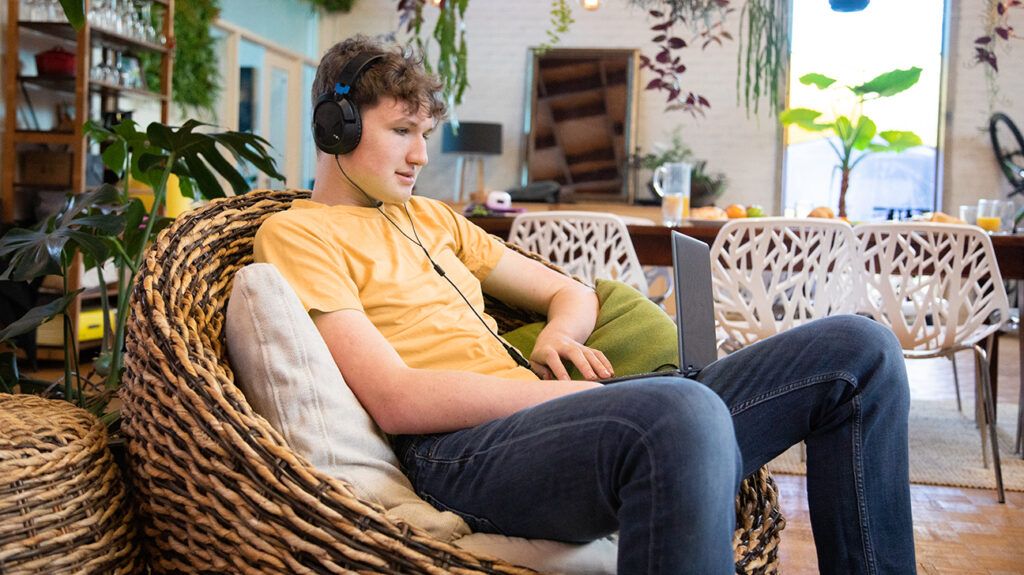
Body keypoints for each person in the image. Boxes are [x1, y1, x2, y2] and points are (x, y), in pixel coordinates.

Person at [254, 35, 916, 575]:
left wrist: (554, 339)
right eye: (401, 130)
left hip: (551, 423)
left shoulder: (433, 218)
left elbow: (566, 290)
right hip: (460, 454)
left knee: (861, 350)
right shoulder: (297, 234)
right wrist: (560, 399)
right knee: (680, 408)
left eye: (424, 132)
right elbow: (396, 397)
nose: (421, 154)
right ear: (336, 128)